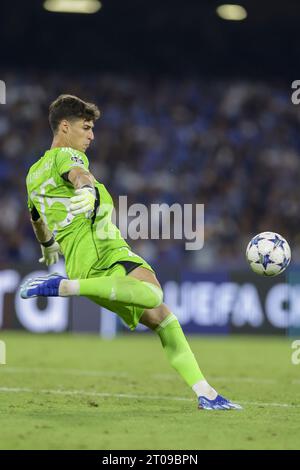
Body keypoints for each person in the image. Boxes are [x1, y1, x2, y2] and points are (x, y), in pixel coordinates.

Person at [21, 94, 241, 411]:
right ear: (65, 127)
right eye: (86, 128)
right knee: (153, 294)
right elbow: (81, 176)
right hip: (103, 249)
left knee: (162, 318)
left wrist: (47, 247)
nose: (92, 136)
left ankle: (206, 393)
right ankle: (64, 287)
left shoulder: (32, 174)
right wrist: (85, 189)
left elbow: (37, 220)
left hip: (82, 265)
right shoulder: (67, 156)